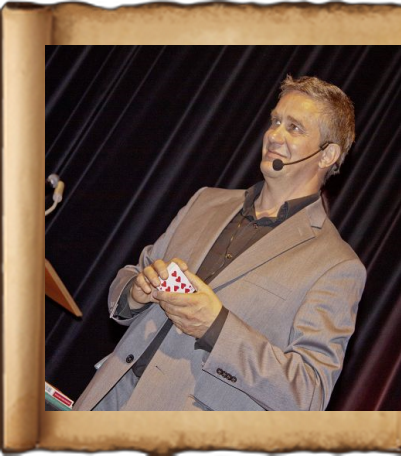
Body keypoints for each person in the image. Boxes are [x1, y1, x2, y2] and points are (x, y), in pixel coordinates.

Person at [73, 75, 366, 411]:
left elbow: (308, 393)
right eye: (275, 121)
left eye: (294, 128)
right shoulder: (206, 201)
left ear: (327, 155)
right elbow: (132, 275)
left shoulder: (336, 265)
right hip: (106, 398)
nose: (274, 135)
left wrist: (217, 327)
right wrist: (136, 291)